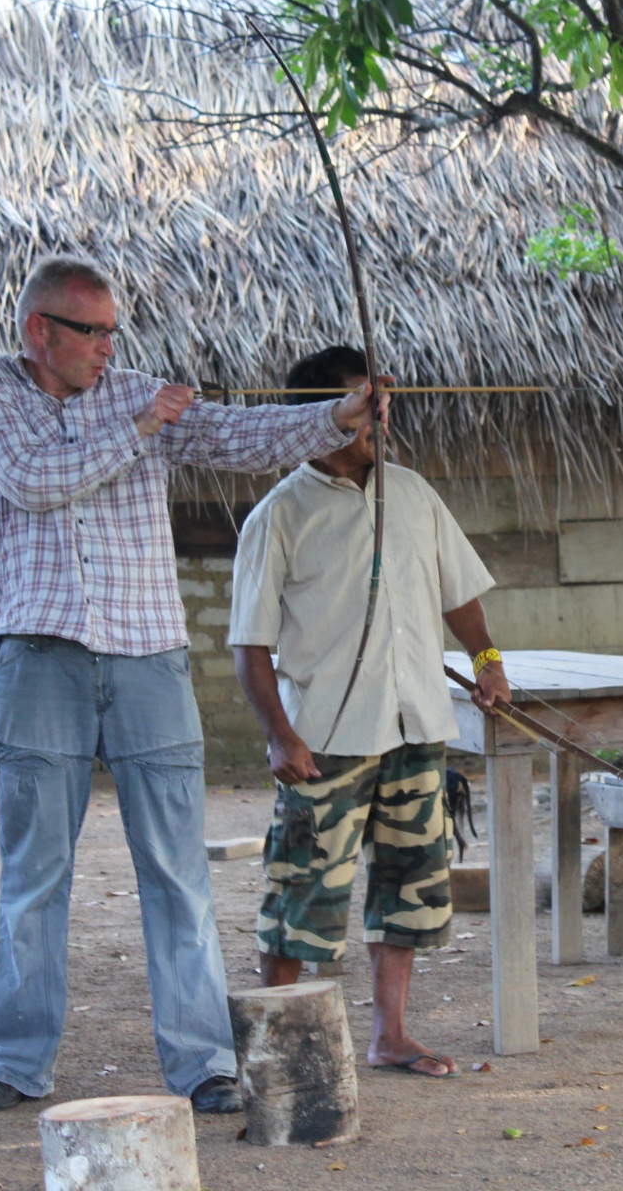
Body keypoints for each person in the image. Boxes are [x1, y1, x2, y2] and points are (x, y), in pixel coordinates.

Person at [0, 255, 376, 1115]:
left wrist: (336, 417)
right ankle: (17, 1062)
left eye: (115, 331)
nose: (111, 347)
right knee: (34, 872)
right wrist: (142, 424)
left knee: (178, 872)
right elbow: (35, 483)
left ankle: (204, 1065)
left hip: (149, 657)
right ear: (41, 331)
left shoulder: (135, 391)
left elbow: (237, 437)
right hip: (40, 658)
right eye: (93, 332)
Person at [229, 345, 511, 1079]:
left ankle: (391, 1035)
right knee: (302, 894)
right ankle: (284, 1049)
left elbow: (459, 593)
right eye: (362, 403)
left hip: (416, 726)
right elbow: (250, 646)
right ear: (321, 415)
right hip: (324, 739)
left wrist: (486, 662)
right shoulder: (280, 513)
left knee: (410, 889)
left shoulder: (413, 493)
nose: (378, 417)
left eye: (380, 402)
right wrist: (279, 735)